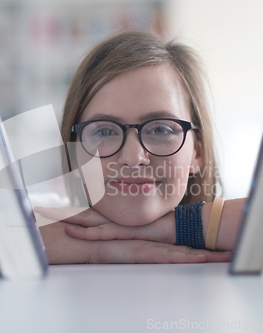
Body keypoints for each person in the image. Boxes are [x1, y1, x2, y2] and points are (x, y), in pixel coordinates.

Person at [36, 31, 246, 264]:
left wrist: (185, 226)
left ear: (198, 152)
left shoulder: (243, 245)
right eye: (104, 131)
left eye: (161, 130)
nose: (133, 158)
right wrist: (88, 249)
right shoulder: (37, 228)